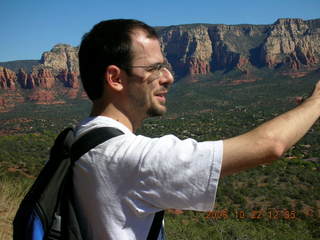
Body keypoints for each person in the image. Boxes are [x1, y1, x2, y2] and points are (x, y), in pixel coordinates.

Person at [74, 19, 320, 239]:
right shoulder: (130, 158)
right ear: (115, 78)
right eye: (153, 68)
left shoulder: (75, 138)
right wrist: (316, 101)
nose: (169, 77)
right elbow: (269, 146)